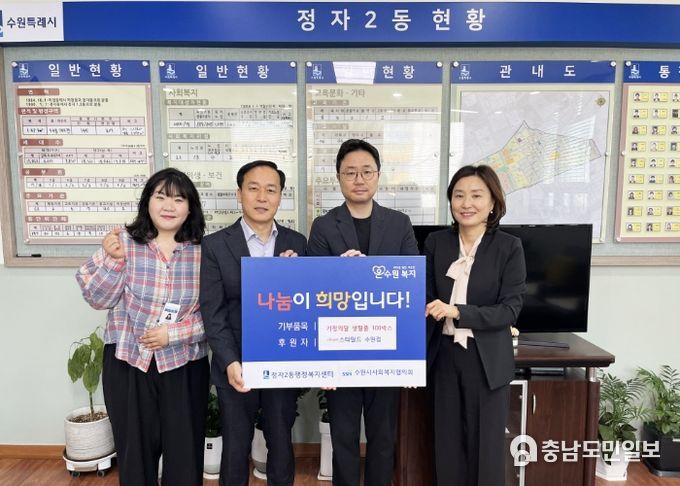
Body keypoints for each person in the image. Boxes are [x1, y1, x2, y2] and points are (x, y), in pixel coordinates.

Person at [76, 168, 209, 485]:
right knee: (134, 457)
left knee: (185, 457)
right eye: (161, 196)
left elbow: (215, 314)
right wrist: (114, 260)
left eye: (179, 199)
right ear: (147, 201)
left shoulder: (205, 251)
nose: (169, 206)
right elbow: (97, 298)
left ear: (190, 207)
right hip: (128, 362)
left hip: (184, 363)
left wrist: (172, 334)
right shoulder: (122, 242)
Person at [307, 139, 419, 486]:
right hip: (339, 347)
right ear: (339, 178)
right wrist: (340, 274)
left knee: (383, 436)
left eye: (367, 171)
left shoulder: (399, 223)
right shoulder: (324, 226)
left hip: (385, 348)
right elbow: (313, 290)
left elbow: (412, 287)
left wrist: (368, 273)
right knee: (343, 436)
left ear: (378, 175)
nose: (359, 179)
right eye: (350, 172)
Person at [200, 160, 307, 486]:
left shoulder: (297, 243)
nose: (262, 197)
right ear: (239, 194)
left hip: (282, 361)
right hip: (236, 364)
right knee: (235, 448)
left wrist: (292, 278)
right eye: (254, 188)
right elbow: (213, 311)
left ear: (280, 196)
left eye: (271, 190)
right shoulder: (216, 245)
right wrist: (230, 361)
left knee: (281, 442)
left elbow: (307, 305)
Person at [424, 165, 526, 486]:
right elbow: (422, 296)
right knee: (447, 446)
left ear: (493, 203)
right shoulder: (436, 243)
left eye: (476, 196)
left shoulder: (509, 247)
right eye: (459, 195)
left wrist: (457, 312)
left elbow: (509, 310)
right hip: (444, 357)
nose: (466, 203)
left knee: (486, 449)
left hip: (486, 361)